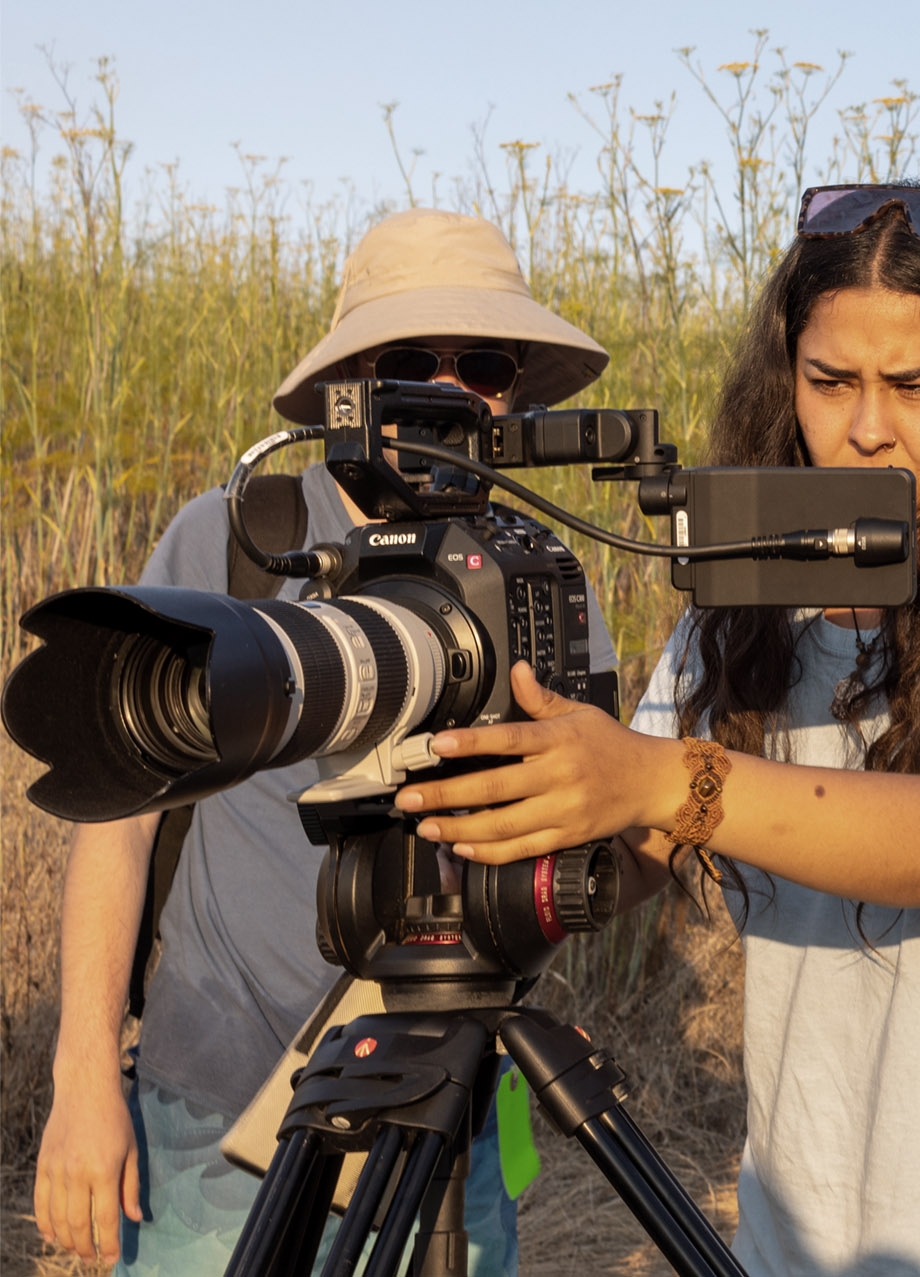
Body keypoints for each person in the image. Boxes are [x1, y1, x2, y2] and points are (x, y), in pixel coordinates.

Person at [391, 184, 920, 1276]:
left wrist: (657, 776)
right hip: (804, 1231)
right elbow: (631, 853)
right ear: (788, 384)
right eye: (831, 382)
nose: (867, 426)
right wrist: (494, 779)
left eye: (915, 386)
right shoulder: (737, 614)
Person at [33, 208, 618, 1274]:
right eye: (408, 361)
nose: (447, 392)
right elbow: (118, 826)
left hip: (450, 1111)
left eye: (481, 362)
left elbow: (589, 830)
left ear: (516, 392)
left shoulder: (538, 578)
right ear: (348, 380)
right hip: (218, 1114)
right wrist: (81, 1081)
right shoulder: (235, 535)